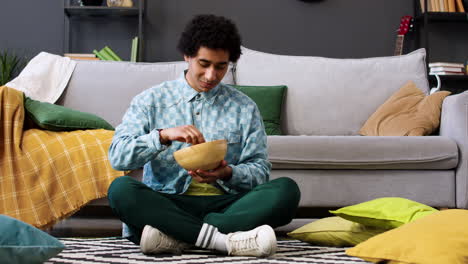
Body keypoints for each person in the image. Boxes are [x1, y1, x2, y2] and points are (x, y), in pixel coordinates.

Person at [107, 14, 300, 257]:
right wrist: (163, 135)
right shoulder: (151, 101)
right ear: (187, 56)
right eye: (204, 64)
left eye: (221, 67)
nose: (211, 76)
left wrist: (228, 173)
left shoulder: (244, 107)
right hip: (168, 203)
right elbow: (118, 157)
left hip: (228, 205)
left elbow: (260, 171)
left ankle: (179, 237)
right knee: (121, 189)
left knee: (286, 190)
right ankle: (224, 240)